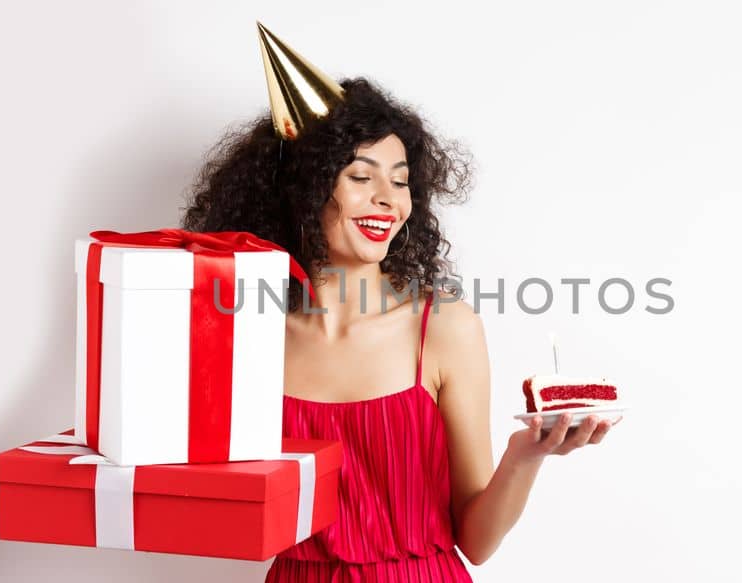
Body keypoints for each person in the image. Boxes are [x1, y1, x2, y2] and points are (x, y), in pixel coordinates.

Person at [183, 26, 616, 581]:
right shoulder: (246, 334)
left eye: (401, 180)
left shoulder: (443, 329)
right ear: (302, 190)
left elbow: (477, 544)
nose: (388, 198)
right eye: (360, 177)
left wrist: (524, 456)